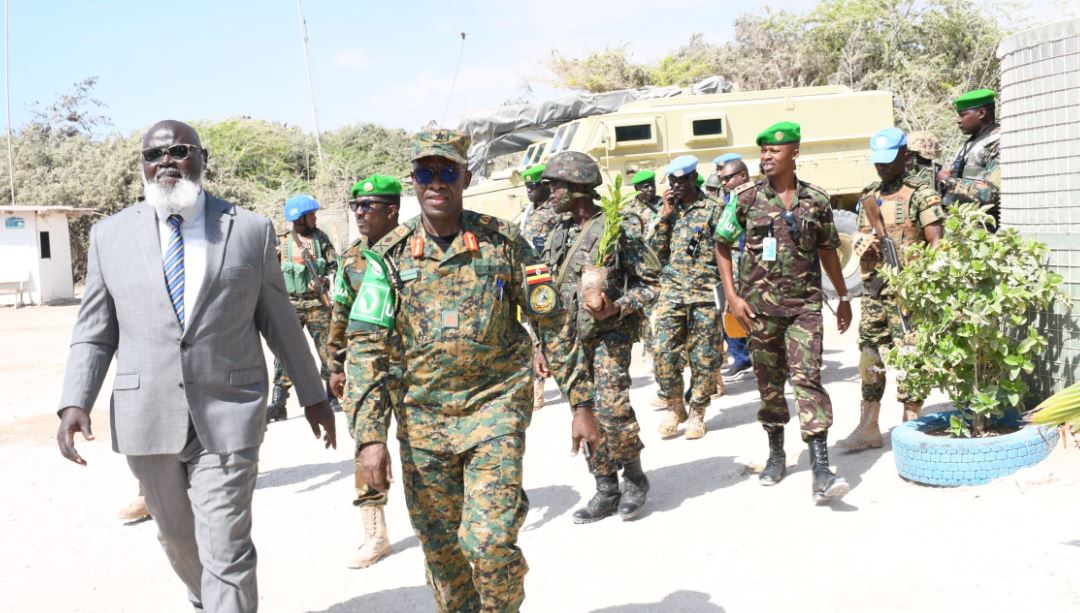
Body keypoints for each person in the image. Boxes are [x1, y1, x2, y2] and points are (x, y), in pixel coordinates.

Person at [56, 120, 336, 612]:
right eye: (153, 154)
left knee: (227, 551)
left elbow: (280, 320)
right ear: (142, 166)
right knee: (179, 544)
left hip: (229, 412)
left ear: (202, 158)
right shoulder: (108, 237)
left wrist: (313, 394)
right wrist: (75, 401)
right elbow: (95, 330)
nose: (165, 161)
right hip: (148, 416)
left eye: (179, 150)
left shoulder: (248, 230)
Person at [347, 128, 599, 612]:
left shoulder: (504, 243)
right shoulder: (388, 259)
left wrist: (581, 403)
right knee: (443, 556)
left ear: (465, 177)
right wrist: (370, 439)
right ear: (414, 182)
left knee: (488, 544)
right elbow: (366, 352)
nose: (436, 183)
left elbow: (551, 324)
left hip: (495, 413)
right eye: (425, 173)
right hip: (423, 424)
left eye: (446, 172)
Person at [714, 121, 852, 503]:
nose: (766, 157)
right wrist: (733, 297)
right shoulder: (743, 199)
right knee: (770, 386)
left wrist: (842, 296)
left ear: (795, 152)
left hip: (804, 308)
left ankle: (821, 467)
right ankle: (776, 454)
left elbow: (828, 251)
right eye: (762, 151)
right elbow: (721, 244)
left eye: (775, 151)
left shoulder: (816, 201)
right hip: (758, 311)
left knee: (807, 380)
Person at [537, 151, 660, 523]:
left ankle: (635, 478)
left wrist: (617, 307)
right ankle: (605, 486)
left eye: (555, 185)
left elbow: (651, 284)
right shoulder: (557, 233)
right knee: (583, 411)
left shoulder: (619, 226)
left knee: (611, 408)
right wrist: (540, 346)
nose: (549, 193)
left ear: (577, 186)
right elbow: (545, 295)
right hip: (568, 342)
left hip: (610, 335)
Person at [837, 128, 945, 451]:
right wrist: (861, 243)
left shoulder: (921, 194)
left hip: (907, 291)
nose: (881, 168)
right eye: (877, 162)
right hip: (874, 289)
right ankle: (869, 426)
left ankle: (910, 424)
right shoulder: (869, 195)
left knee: (910, 354)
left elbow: (937, 242)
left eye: (888, 161)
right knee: (869, 354)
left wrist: (929, 282)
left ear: (904, 157)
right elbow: (858, 234)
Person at [326, 175, 402, 569]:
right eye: (356, 206)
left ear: (392, 210)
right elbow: (339, 313)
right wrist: (334, 365)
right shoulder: (351, 258)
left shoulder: (415, 250)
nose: (359, 213)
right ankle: (375, 532)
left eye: (367, 206)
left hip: (411, 368)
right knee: (367, 449)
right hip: (365, 370)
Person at [650, 155, 724, 440]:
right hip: (672, 294)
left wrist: (730, 291)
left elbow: (728, 251)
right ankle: (674, 407)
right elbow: (655, 253)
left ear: (694, 179)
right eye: (672, 182)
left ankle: (697, 412)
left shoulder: (714, 209)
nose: (676, 186)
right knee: (664, 354)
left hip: (705, 293)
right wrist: (666, 217)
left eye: (681, 180)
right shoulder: (667, 212)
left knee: (704, 357)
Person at [266, 194, 339, 422]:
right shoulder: (282, 242)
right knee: (284, 353)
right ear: (300, 218)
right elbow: (269, 273)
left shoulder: (321, 239)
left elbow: (335, 267)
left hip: (317, 304)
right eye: (311, 215)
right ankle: (278, 404)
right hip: (290, 306)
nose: (315, 218)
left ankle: (332, 396)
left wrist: (325, 282)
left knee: (327, 349)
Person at [518, 163, 560, 411]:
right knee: (534, 332)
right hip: (531, 277)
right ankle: (537, 388)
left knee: (553, 330)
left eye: (533, 187)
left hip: (550, 278)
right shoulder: (528, 212)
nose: (530, 192)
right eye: (527, 188)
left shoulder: (554, 211)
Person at [938, 88, 1001, 226]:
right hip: (964, 224)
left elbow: (992, 193)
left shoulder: (996, 143)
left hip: (985, 229)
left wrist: (949, 182)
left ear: (981, 113)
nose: (958, 120)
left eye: (963, 115)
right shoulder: (971, 143)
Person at [716, 158, 753, 382]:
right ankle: (741, 358)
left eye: (727, 178)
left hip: (756, 267)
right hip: (736, 264)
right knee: (731, 311)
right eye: (721, 179)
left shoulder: (759, 197)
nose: (724, 183)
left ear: (743, 176)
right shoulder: (728, 201)